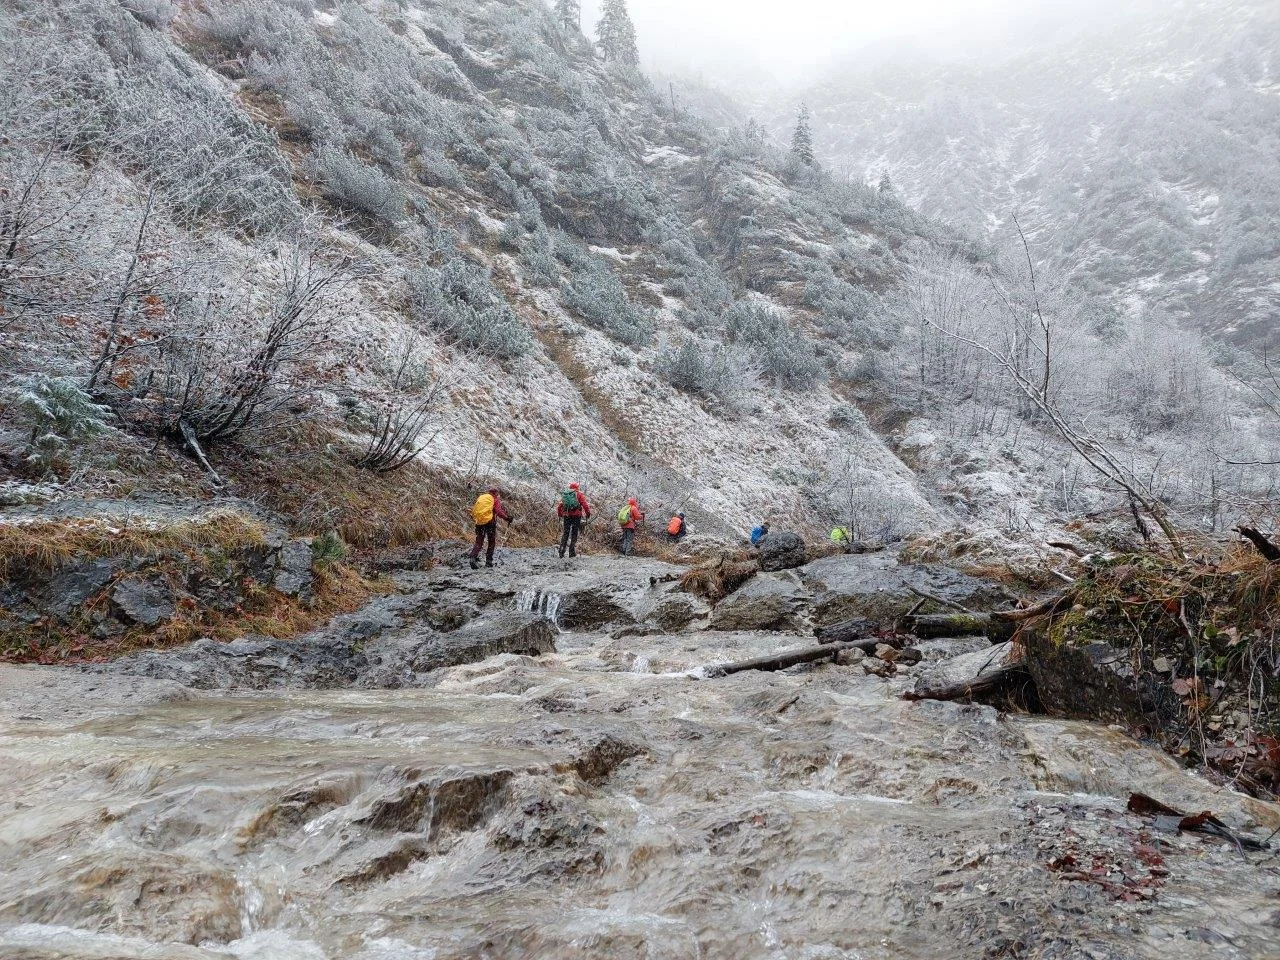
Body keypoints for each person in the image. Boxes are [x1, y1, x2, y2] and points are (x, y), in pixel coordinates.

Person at [469, 486, 512, 569]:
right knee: (491, 541)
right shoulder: (495, 499)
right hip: (490, 523)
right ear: (496, 494)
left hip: (479, 522)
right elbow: (498, 511)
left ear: (489, 492)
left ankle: (472, 558)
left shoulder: (482, 498)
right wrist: (507, 518)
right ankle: (489, 561)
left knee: (479, 541)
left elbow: (475, 509)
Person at [556, 482, 591, 559]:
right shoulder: (579, 494)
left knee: (566, 533)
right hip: (576, 516)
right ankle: (571, 552)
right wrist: (588, 513)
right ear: (577, 487)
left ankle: (561, 551)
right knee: (574, 533)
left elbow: (560, 505)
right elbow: (584, 504)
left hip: (567, 516)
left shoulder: (566, 494)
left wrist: (560, 514)